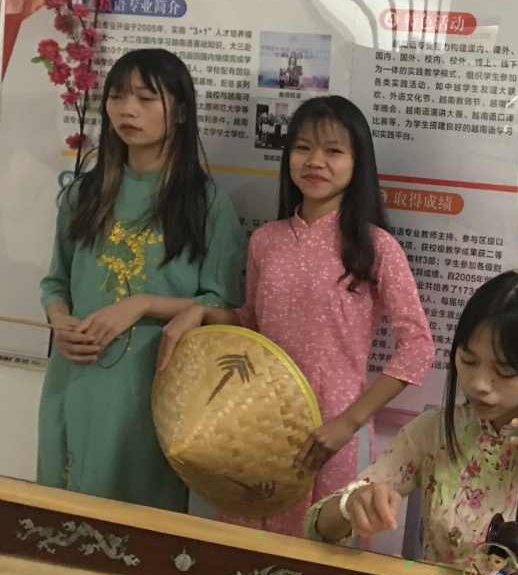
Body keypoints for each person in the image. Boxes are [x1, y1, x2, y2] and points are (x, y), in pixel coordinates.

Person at [159, 95, 434, 537]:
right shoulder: (266, 241)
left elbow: (418, 345)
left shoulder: (376, 247)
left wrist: (349, 422)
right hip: (258, 423)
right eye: (303, 147)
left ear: (358, 163)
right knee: (247, 543)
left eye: (333, 151)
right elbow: (252, 324)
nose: (315, 161)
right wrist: (203, 313)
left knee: (321, 551)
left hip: (334, 430)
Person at [305, 272, 518, 575]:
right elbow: (317, 528)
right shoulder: (433, 431)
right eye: (468, 360)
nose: (479, 384)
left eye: (504, 371)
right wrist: (352, 505)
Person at [38, 48, 246, 512]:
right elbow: (55, 283)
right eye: (116, 96)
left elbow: (225, 308)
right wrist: (59, 321)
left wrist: (144, 304)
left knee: (136, 531)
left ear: (181, 113)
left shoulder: (206, 205)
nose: (127, 110)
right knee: (60, 522)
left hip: (152, 389)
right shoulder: (83, 194)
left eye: (146, 98)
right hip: (74, 379)